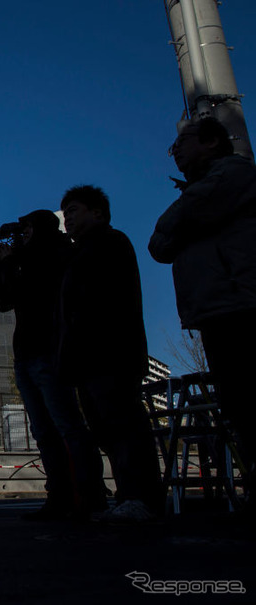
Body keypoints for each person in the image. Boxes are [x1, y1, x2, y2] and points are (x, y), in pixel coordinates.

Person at [149, 117, 256, 509]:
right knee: (238, 404)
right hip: (214, 309)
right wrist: (183, 224)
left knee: (247, 397)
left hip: (241, 301)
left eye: (182, 142)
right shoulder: (200, 190)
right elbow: (158, 245)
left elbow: (174, 221)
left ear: (211, 142)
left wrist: (182, 222)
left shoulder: (235, 172)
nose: (176, 151)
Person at [0, 210, 105, 521]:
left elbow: (37, 291)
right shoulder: (23, 261)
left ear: (40, 229)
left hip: (50, 351)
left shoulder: (56, 255)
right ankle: (60, 495)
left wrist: (11, 261)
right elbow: (4, 302)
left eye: (26, 230)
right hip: (25, 354)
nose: (22, 237)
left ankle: (90, 493)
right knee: (43, 430)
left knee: (67, 425)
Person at [59, 185, 163, 522]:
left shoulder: (111, 243)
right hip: (89, 357)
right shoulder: (81, 253)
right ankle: (129, 497)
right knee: (106, 430)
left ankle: (141, 497)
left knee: (124, 425)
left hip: (111, 353)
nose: (68, 218)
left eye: (73, 210)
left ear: (98, 212)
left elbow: (103, 304)